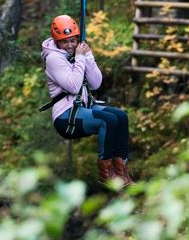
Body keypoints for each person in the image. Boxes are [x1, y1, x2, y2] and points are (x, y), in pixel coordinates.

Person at [41, 15, 133, 187]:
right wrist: (80, 58)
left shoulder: (78, 52)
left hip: (83, 109)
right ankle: (106, 173)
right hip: (66, 116)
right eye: (64, 42)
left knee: (121, 117)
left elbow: (96, 83)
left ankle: (121, 171)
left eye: (72, 40)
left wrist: (88, 56)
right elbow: (74, 87)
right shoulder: (53, 59)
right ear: (56, 41)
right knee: (108, 120)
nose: (69, 45)